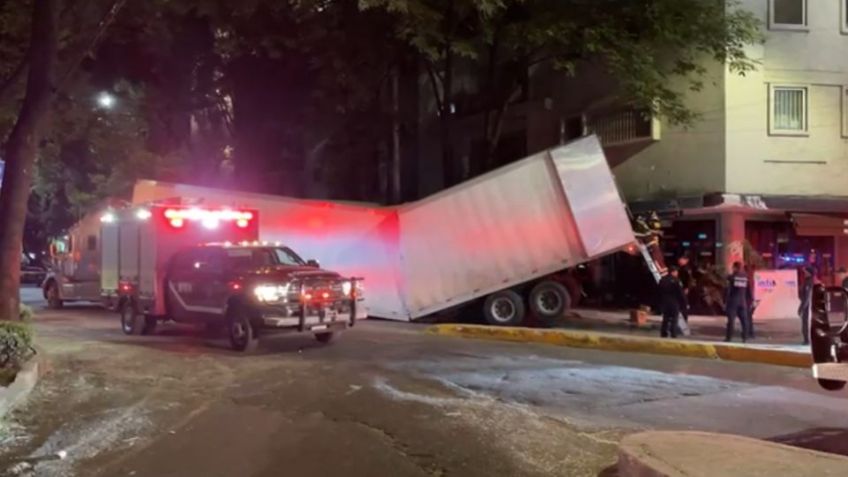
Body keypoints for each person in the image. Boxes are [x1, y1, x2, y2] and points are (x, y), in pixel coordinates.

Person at [725, 261, 752, 343]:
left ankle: (729, 337)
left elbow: (727, 279)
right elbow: (749, 290)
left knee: (731, 321)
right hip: (742, 302)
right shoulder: (746, 277)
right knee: (744, 321)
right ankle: (745, 337)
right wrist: (751, 300)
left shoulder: (733, 276)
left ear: (735, 267)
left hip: (733, 302)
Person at [658, 266, 687, 339]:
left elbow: (658, 292)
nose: (677, 273)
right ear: (673, 272)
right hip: (674, 302)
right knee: (674, 318)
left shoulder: (662, 280)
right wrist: (685, 302)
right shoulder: (676, 281)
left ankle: (663, 332)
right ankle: (673, 333)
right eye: (676, 272)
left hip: (664, 302)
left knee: (665, 318)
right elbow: (680, 293)